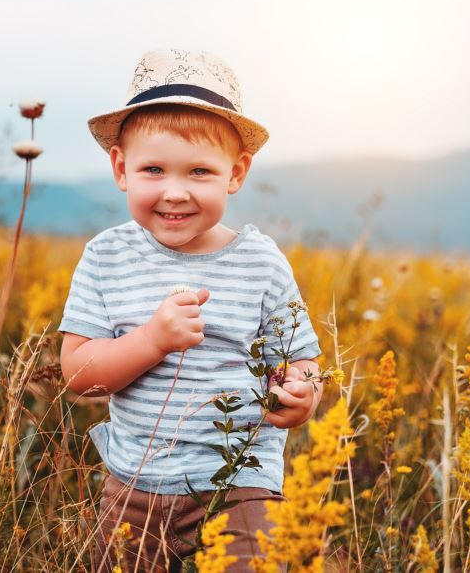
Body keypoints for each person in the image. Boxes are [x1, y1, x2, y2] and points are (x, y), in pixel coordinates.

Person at [58, 49, 323, 572]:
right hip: (135, 486)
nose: (174, 192)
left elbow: (301, 360)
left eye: (199, 171)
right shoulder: (106, 257)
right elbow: (79, 376)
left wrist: (302, 393)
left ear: (235, 173)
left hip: (241, 483)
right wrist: (151, 340)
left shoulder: (261, 261)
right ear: (120, 168)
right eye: (152, 169)